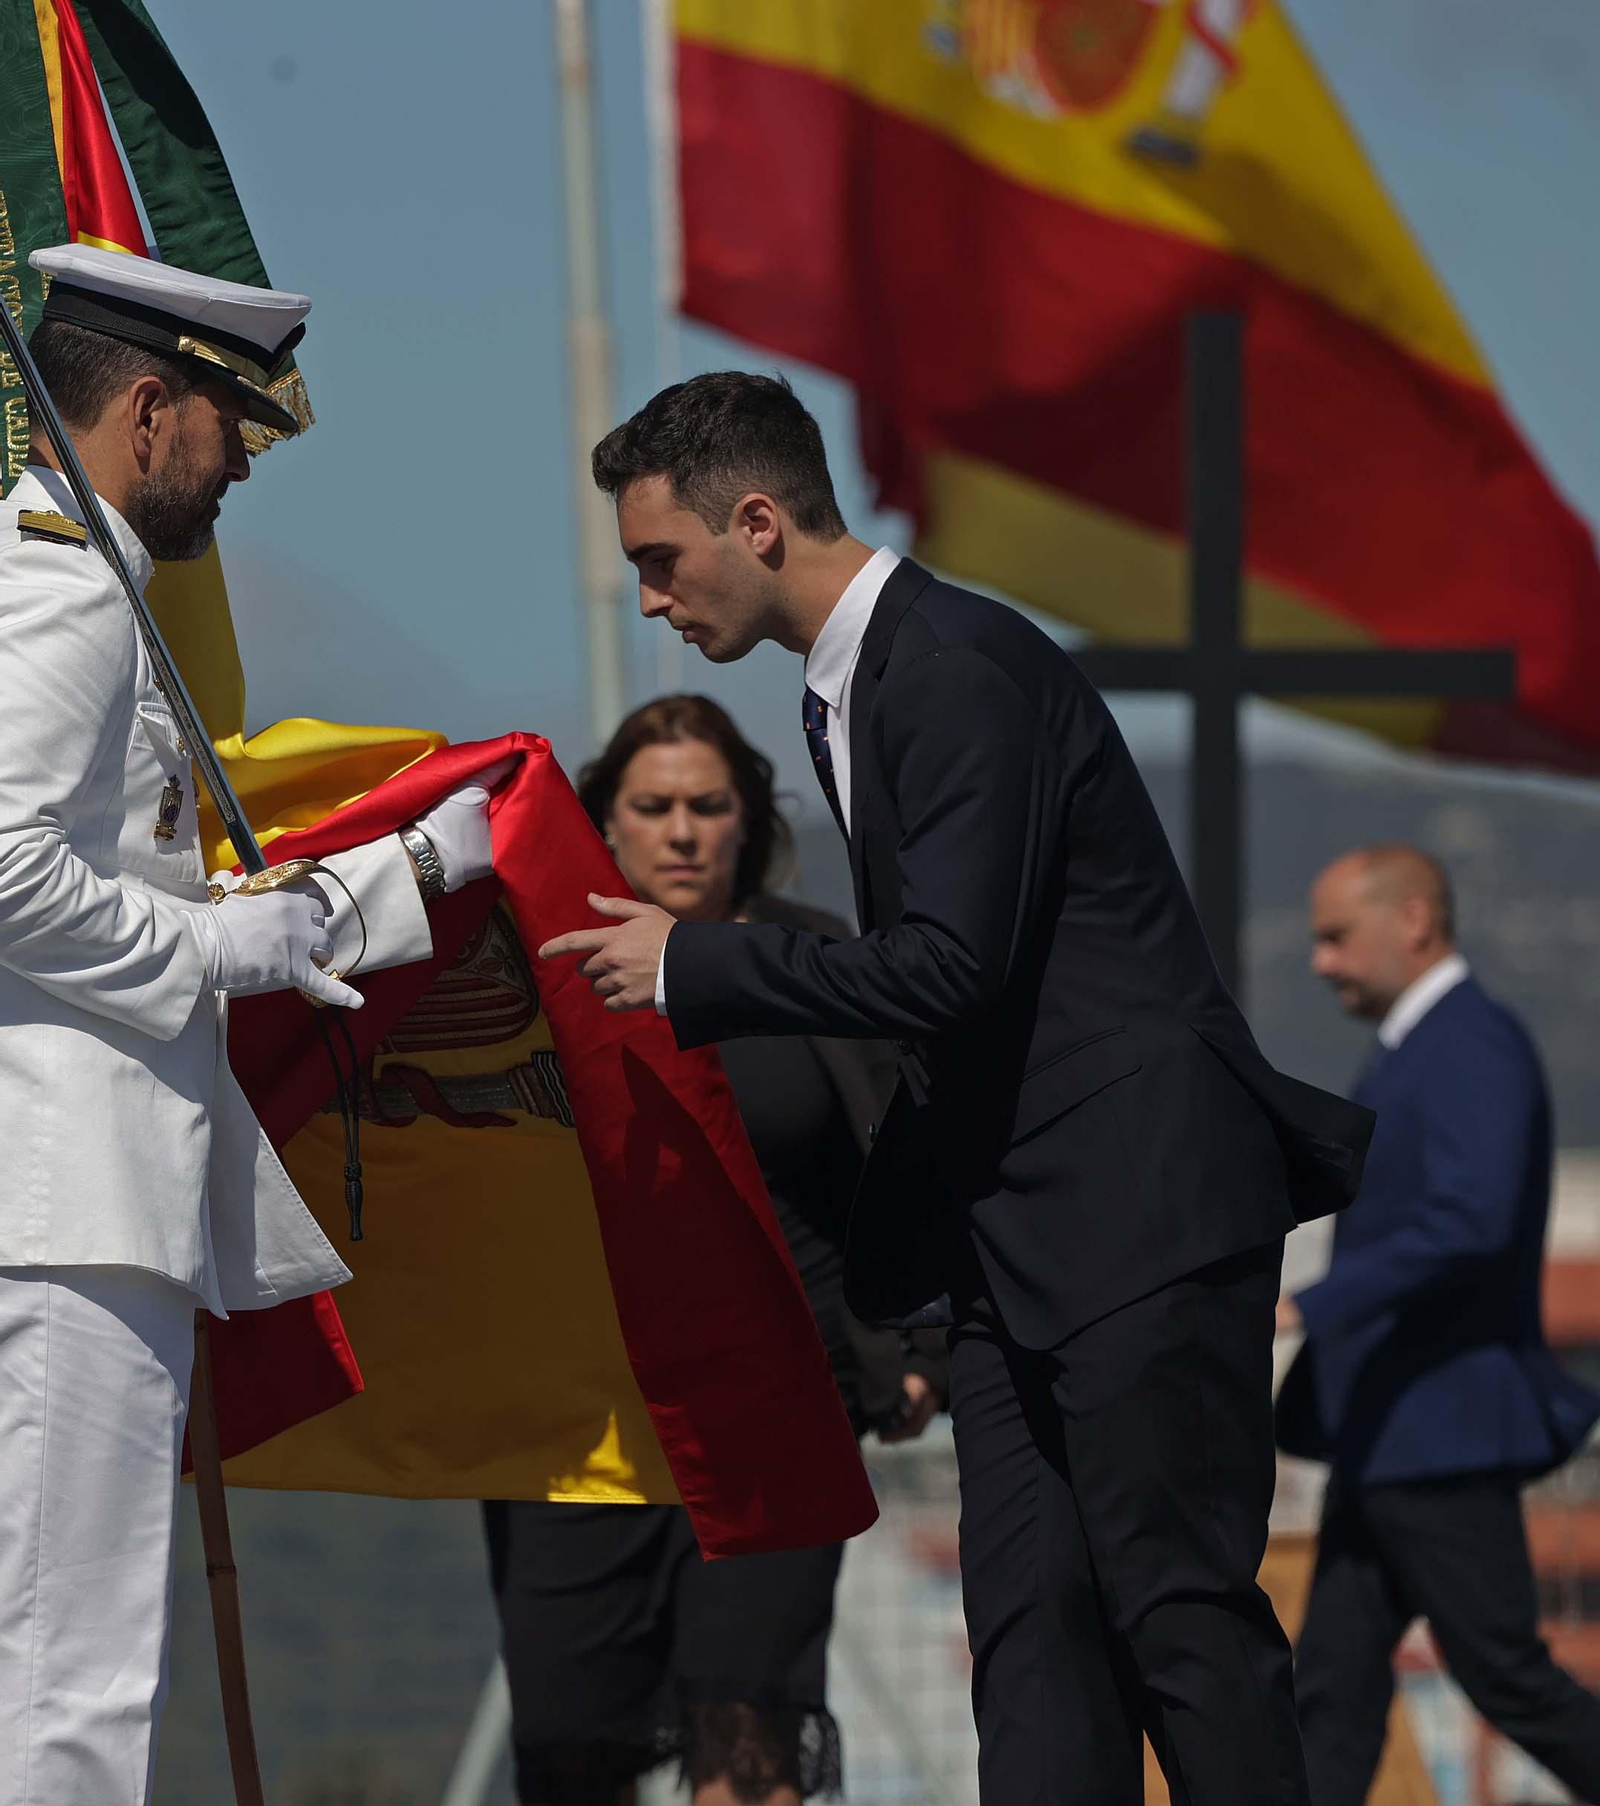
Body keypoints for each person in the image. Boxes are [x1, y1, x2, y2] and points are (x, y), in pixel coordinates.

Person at [538, 371, 1374, 1806]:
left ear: (755, 522)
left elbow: (949, 971)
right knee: (1032, 1636)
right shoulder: (860, 683)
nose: (652, 600)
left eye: (660, 562)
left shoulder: (955, 666)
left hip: (1142, 1215)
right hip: (1014, 1248)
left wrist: (700, 964)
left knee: (1175, 1616)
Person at [0, 245, 502, 1804]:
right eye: (228, 424)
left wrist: (364, 898)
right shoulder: (69, 590)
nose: (234, 469)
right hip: (64, 1201)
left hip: (56, 1191)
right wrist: (215, 940)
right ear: (146, 411)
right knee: (71, 1669)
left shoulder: (59, 576)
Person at [487, 693, 946, 1806]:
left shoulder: (819, 963)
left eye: (708, 805)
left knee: (748, 1744)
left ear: (750, 820)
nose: (683, 832)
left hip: (781, 1407)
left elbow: (910, 1164)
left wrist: (922, 1345)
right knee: (573, 1750)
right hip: (574, 1423)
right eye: (653, 808)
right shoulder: (523, 970)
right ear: (603, 818)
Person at [1278, 844, 1600, 1806]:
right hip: (1392, 1435)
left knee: (1505, 1675)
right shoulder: (1420, 1046)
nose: (1321, 963)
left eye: (1336, 937)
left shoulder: (1469, 1041)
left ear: (1413, 920)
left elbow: (1471, 1215)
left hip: (1439, 1429)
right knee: (1331, 1690)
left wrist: (1310, 1304)